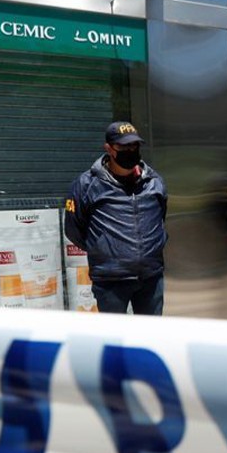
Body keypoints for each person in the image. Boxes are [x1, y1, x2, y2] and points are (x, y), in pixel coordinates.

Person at [65, 121, 168, 315]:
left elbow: (161, 218)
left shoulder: (154, 182)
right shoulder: (86, 185)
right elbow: (74, 229)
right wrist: (103, 248)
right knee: (115, 339)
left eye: (134, 145)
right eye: (123, 146)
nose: (130, 150)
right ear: (109, 149)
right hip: (110, 280)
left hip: (151, 277)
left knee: (151, 335)